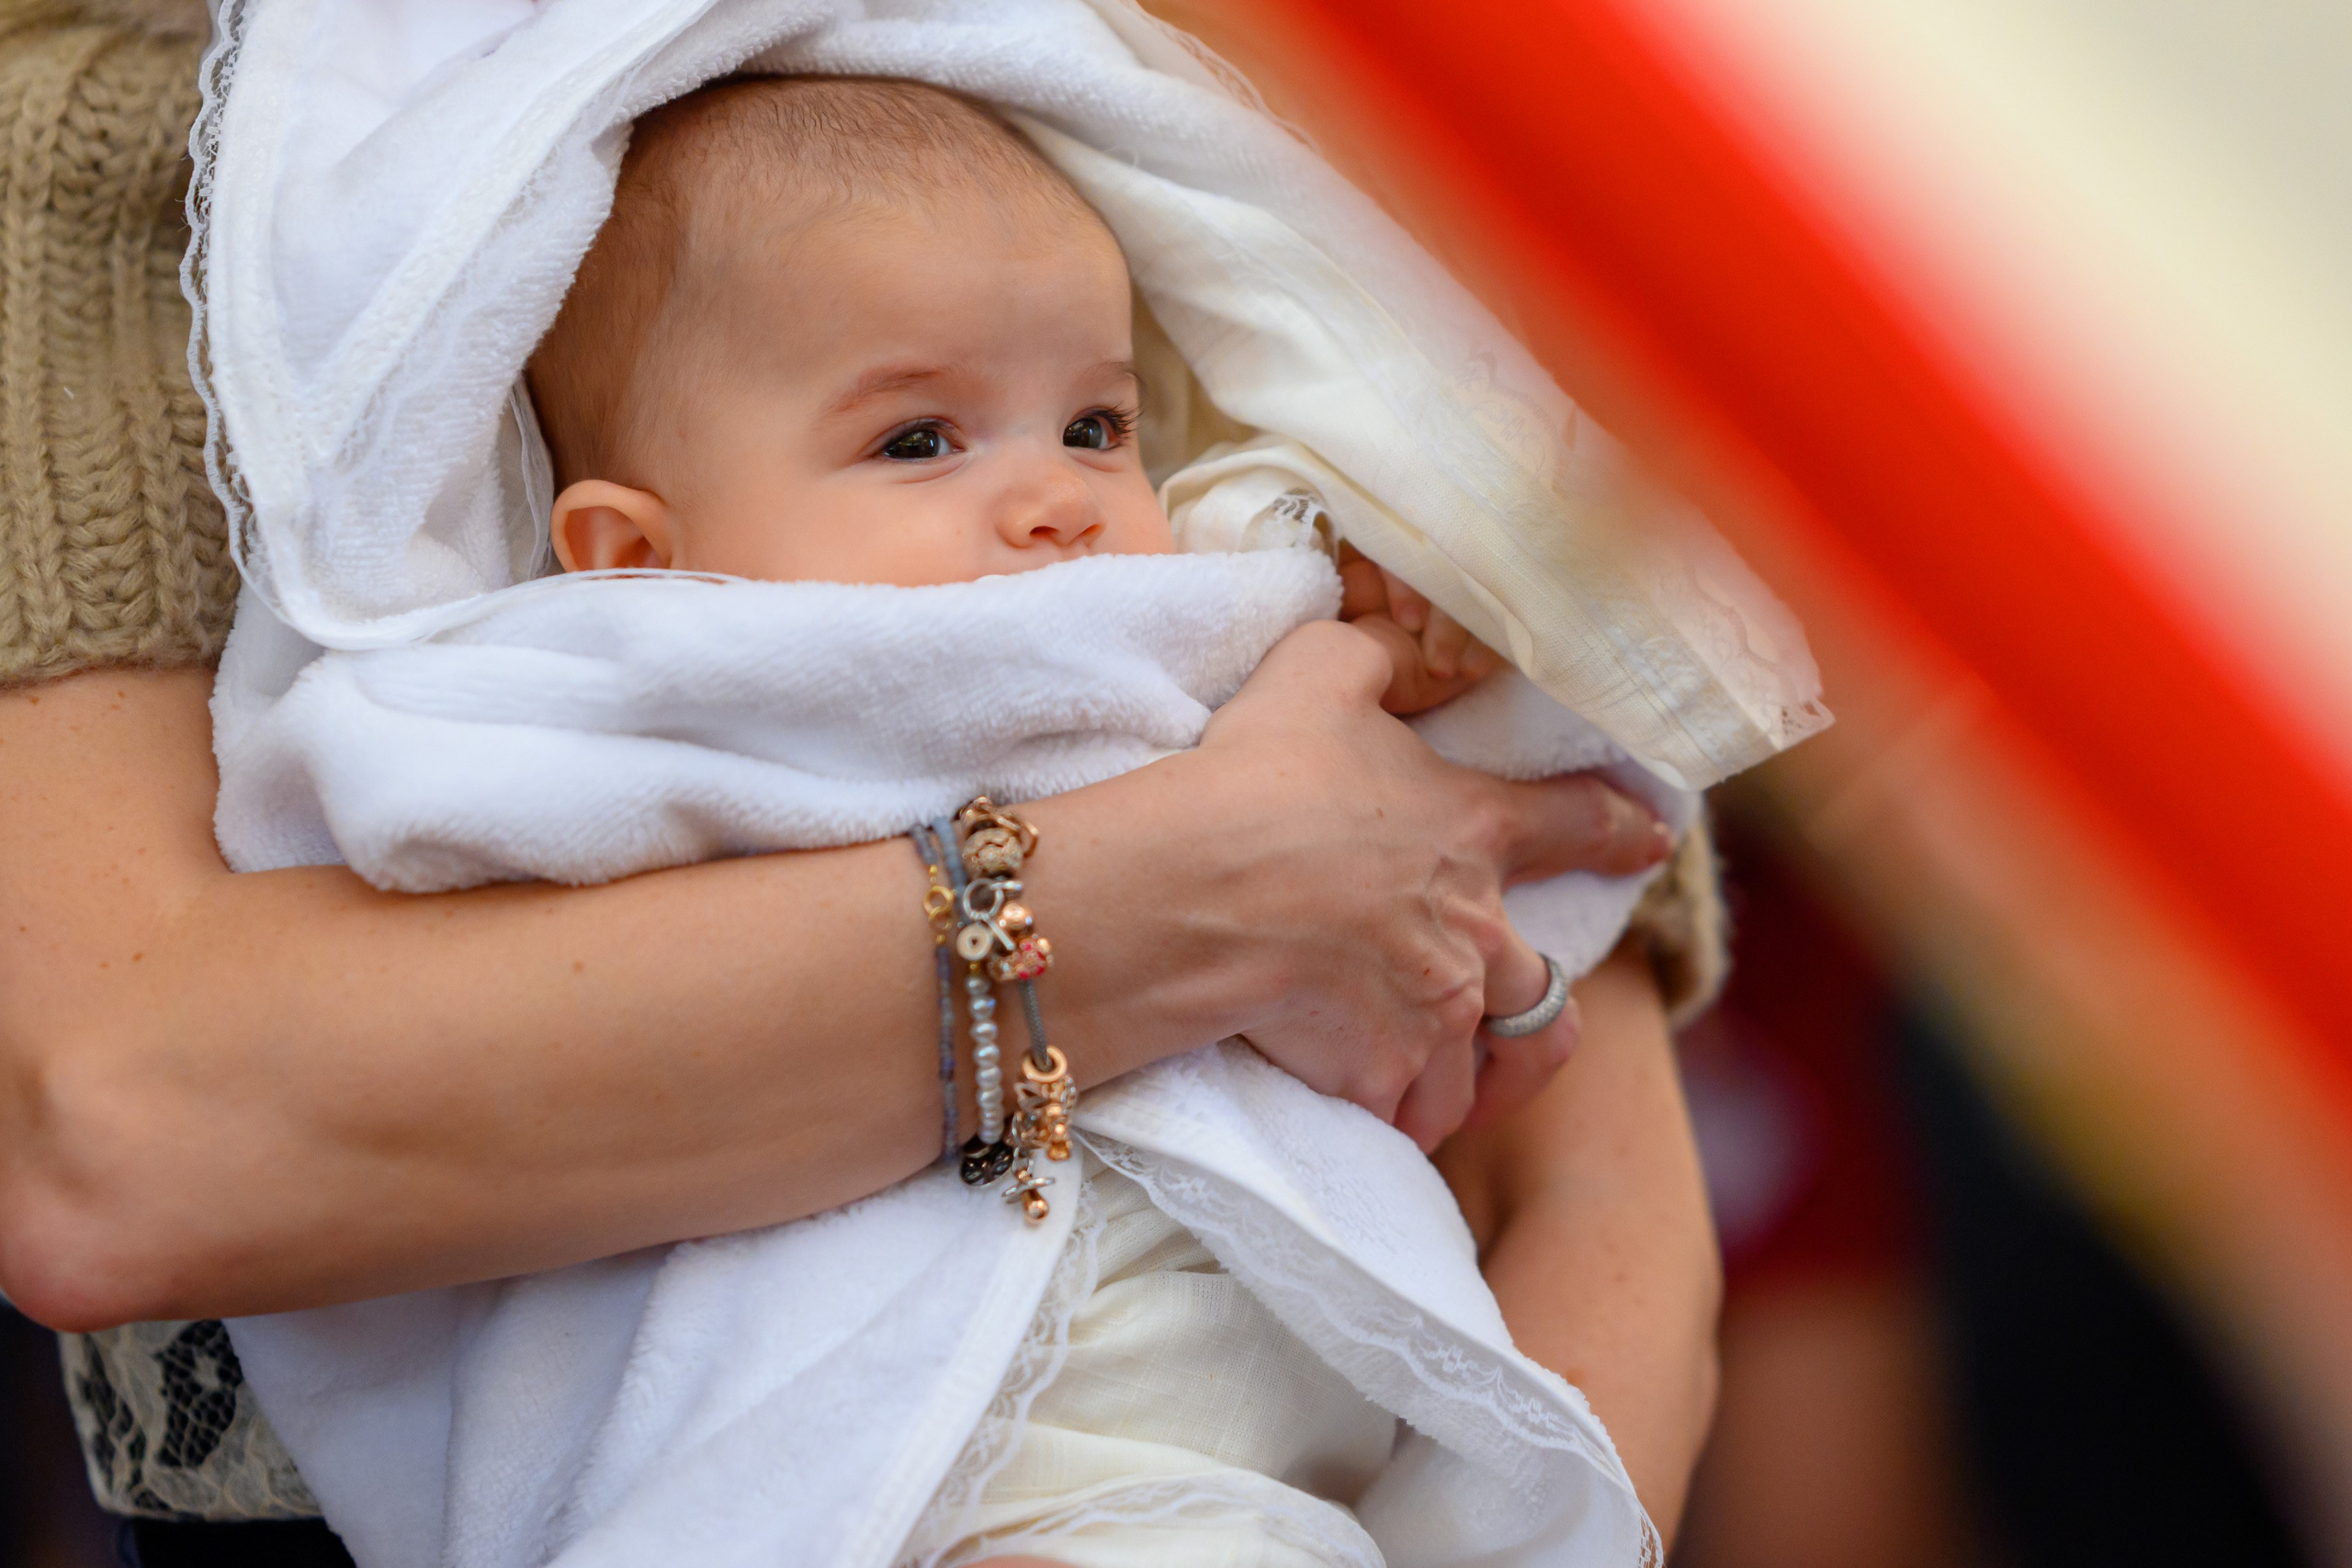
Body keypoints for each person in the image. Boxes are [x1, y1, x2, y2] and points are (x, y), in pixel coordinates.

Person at [0, 4, 1722, 1562]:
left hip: (1258, 1458)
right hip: (802, 1429)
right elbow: (141, 1115)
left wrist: (1431, 607)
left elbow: (1588, 1120)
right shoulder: (604, 675)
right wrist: (1194, 891)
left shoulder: (1260, 172)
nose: (1053, 500)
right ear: (617, 553)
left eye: (1100, 427)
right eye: (918, 439)